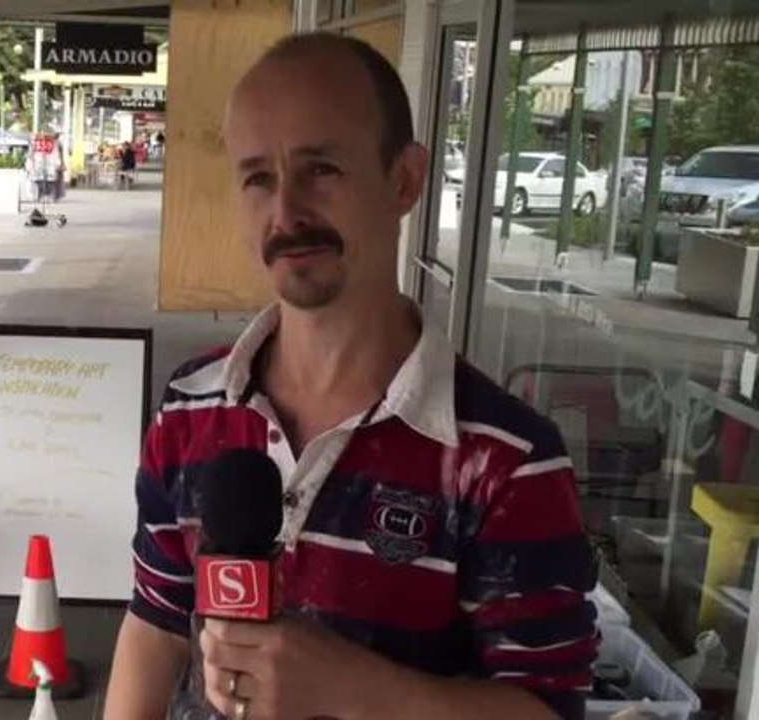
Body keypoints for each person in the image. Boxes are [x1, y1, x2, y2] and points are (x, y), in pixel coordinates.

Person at [105, 33, 597, 720]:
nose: (286, 213)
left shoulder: (506, 461)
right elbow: (157, 625)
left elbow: (548, 708)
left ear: (405, 180)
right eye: (258, 178)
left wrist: (353, 689)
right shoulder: (189, 408)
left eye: (321, 170)